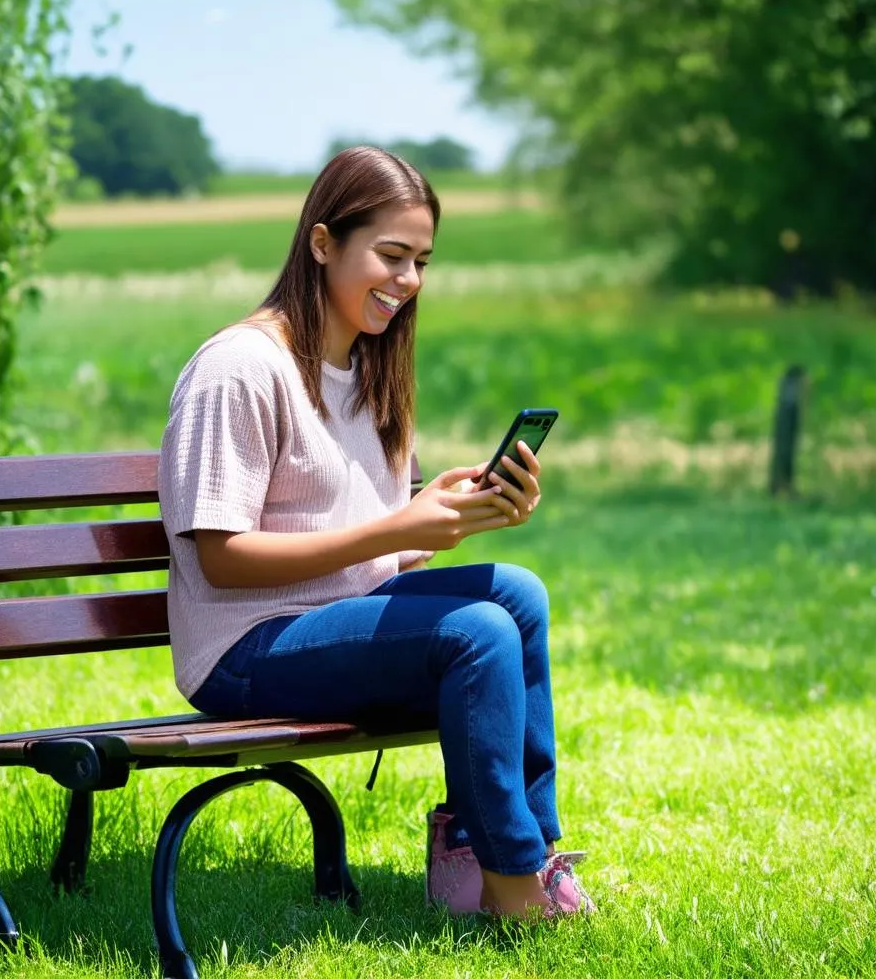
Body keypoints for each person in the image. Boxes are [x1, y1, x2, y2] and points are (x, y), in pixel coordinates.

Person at [157, 146, 594, 920]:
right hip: (245, 648)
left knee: (515, 595)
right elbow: (221, 562)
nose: (410, 281)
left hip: (331, 625)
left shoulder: (369, 372)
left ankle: (515, 852)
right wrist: (393, 528)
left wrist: (452, 515)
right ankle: (514, 890)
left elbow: (377, 554)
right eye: (391, 256)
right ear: (323, 244)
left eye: (422, 261)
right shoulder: (240, 368)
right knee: (476, 631)